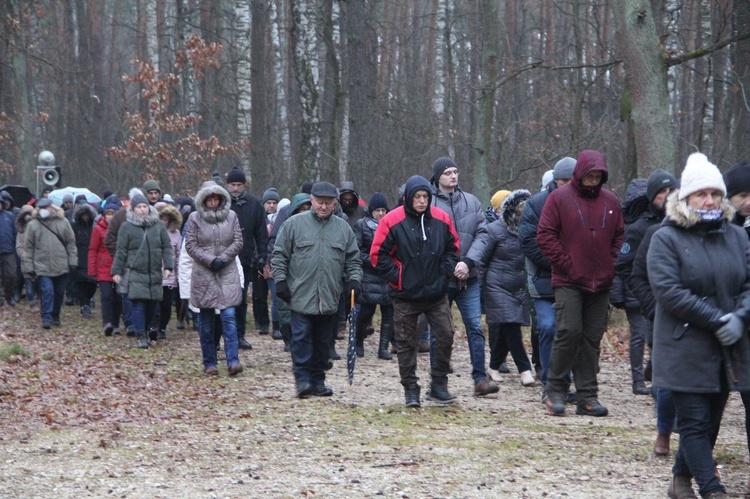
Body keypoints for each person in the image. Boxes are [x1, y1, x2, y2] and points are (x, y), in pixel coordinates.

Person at [648, 152, 750, 498]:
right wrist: (718, 318)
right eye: (702, 194)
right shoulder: (667, 238)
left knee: (711, 422)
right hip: (683, 344)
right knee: (693, 421)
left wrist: (740, 316)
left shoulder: (737, 237)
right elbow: (669, 291)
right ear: (686, 197)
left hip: (726, 346)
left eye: (716, 194)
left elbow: (749, 283)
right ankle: (712, 489)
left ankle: (679, 480)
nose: (710, 200)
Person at [537, 149, 624, 417]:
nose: (593, 181)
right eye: (590, 176)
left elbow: (619, 235)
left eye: (598, 177)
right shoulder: (559, 198)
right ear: (580, 174)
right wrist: (567, 265)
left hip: (601, 283)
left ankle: (587, 396)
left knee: (591, 339)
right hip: (568, 280)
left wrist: (610, 263)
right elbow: (545, 235)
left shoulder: (611, 201)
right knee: (568, 332)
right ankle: (555, 391)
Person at [371, 175, 460, 407]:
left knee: (445, 335)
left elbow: (454, 248)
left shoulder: (442, 218)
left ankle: (439, 384)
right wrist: (399, 277)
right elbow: (377, 255)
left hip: (436, 293)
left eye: (425, 197)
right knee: (405, 342)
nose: (421, 201)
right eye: (417, 197)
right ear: (408, 198)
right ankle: (410, 388)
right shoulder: (391, 221)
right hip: (405, 295)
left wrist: (445, 271)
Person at [271, 181, 362, 398]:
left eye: (328, 203)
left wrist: (355, 281)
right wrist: (281, 281)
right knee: (301, 338)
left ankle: (318, 380)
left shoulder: (343, 229)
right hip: (300, 295)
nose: (323, 207)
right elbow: (279, 255)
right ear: (311, 200)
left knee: (324, 342)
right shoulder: (294, 224)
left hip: (330, 297)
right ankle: (302, 379)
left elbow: (354, 260)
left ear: (335, 204)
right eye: (319, 202)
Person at [430, 156, 498, 397]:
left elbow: (483, 234)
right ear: (438, 176)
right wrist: (449, 266)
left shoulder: (471, 201)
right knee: (440, 331)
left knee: (474, 328)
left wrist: (468, 262)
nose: (453, 176)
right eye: (448, 172)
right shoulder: (428, 204)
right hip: (441, 279)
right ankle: (437, 382)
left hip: (469, 278)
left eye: (456, 171)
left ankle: (480, 379)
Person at [518, 157, 576, 399]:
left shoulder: (585, 203)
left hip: (575, 279)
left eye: (572, 181)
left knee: (571, 331)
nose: (568, 185)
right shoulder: (537, 204)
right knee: (547, 327)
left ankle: (566, 382)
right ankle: (549, 384)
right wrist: (558, 262)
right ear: (555, 181)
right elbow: (528, 241)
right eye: (563, 181)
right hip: (542, 278)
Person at [614, 171, 676, 396]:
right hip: (643, 298)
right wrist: (643, 295)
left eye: (671, 191)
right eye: (662, 192)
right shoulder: (640, 228)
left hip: (673, 300)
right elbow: (624, 264)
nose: (667, 196)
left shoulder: (686, 224)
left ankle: (655, 375)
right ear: (652, 197)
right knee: (642, 336)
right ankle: (639, 380)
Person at [185, 182, 244, 376]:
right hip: (204, 272)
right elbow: (191, 245)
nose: (212, 202)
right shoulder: (194, 218)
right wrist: (210, 260)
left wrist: (224, 258)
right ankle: (209, 362)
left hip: (227, 271)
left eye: (215, 198)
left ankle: (233, 361)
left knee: (229, 318)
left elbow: (238, 241)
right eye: (209, 199)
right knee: (207, 321)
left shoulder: (232, 216)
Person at [479, 189, 535, 387]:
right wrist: (482, 288)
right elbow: (482, 260)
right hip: (497, 286)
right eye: (518, 213)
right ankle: (525, 370)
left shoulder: (528, 231)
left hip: (518, 287)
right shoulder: (494, 230)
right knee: (511, 327)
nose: (521, 217)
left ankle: (493, 368)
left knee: (506, 328)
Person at [111, 193, 173, 349]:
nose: (143, 209)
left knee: (152, 305)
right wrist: (116, 271)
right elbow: (121, 251)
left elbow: (166, 247)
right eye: (139, 207)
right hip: (136, 272)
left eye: (145, 206)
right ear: (133, 208)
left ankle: (145, 331)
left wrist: (168, 266)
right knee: (138, 303)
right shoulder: (126, 227)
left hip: (154, 273)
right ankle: (140, 336)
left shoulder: (158, 225)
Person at [226, 166, 269, 348]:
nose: (235, 188)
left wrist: (262, 255)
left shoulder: (254, 204)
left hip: (246, 257)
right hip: (224, 256)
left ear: (244, 185)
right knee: (223, 299)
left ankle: (239, 335)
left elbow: (261, 233)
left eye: (239, 185)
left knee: (241, 299)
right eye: (232, 185)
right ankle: (222, 336)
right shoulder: (222, 202)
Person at [21, 198, 77, 329]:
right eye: (41, 208)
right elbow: (28, 247)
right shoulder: (33, 224)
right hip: (42, 266)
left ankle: (55, 315)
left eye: (46, 207)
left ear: (52, 207)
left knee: (59, 293)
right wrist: (29, 267)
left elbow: (71, 243)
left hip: (61, 264)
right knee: (47, 292)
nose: (44, 211)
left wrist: (73, 261)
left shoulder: (63, 222)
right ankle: (46, 317)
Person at [353, 192, 394, 360]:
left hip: (387, 276)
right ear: (371, 210)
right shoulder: (361, 225)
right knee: (365, 312)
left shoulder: (392, 225)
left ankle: (383, 347)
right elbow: (357, 250)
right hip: (369, 275)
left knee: (389, 313)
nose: (381, 213)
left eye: (384, 210)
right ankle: (358, 342)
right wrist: (373, 261)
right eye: (377, 210)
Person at [88, 198, 122, 336]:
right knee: (106, 296)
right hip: (103, 267)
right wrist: (92, 270)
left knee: (117, 297)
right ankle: (107, 323)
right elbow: (92, 250)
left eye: (113, 213)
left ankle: (115, 324)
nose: (110, 216)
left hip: (118, 266)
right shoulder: (97, 229)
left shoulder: (122, 228)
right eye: (108, 213)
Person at [155, 202, 183, 340]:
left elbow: (178, 256)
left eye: (166, 219)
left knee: (166, 305)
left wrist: (178, 275)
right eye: (161, 218)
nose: (164, 222)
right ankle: (153, 325)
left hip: (169, 275)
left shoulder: (176, 234)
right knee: (154, 304)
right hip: (153, 274)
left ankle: (162, 328)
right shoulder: (150, 232)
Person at [71, 200, 98, 318]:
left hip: (92, 256)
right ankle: (84, 305)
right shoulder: (75, 227)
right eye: (83, 215)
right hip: (79, 256)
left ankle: (87, 300)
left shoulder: (94, 227)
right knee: (80, 282)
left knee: (92, 282)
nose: (85, 217)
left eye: (87, 215)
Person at [0, 193, 17, 307]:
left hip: (8, 250)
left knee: (10, 275)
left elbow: (16, 233)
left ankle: (9, 295)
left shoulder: (10, 216)